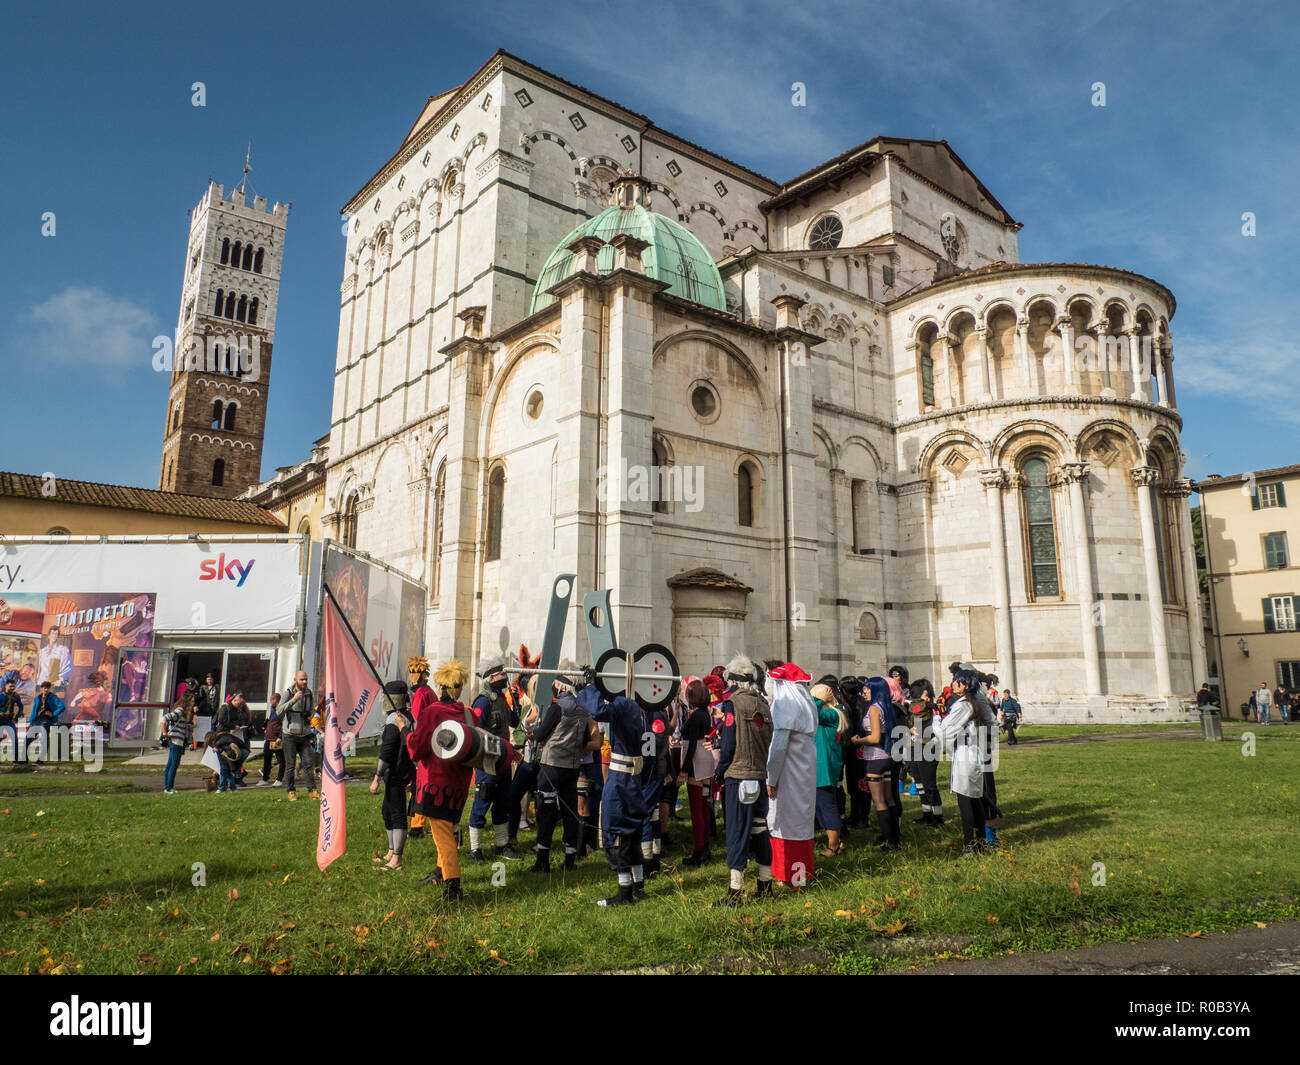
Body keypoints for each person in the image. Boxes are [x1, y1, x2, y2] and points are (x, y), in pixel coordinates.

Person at [576, 667, 650, 907]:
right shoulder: (640, 706)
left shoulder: (624, 705)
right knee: (634, 827)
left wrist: (591, 686)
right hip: (634, 775)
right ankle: (638, 885)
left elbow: (598, 711)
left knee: (615, 827)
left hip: (621, 777)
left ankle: (625, 892)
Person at [406, 658, 476, 901]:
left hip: (436, 783)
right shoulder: (467, 714)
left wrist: (406, 732)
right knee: (447, 830)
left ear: (441, 687)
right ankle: (440, 871)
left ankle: (453, 885)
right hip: (459, 786)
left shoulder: (432, 712)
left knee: (443, 836)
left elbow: (417, 749)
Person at [713, 655, 775, 904]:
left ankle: (735, 891)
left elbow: (728, 745)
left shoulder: (733, 705)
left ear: (734, 681)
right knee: (760, 831)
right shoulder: (763, 704)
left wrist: (720, 771)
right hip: (759, 775)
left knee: (737, 833)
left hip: (738, 777)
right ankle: (765, 883)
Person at [530, 663, 590, 873]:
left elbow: (540, 735)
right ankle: (570, 859)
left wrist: (534, 727)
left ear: (562, 686)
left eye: (555, 682)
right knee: (570, 811)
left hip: (552, 765)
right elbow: (586, 739)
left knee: (545, 810)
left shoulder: (557, 708)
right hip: (572, 766)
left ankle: (543, 860)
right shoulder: (583, 711)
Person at [765, 663, 819, 885]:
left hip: (788, 775)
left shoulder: (785, 708)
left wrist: (770, 778)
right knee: (801, 819)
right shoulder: (806, 705)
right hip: (804, 773)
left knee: (784, 821)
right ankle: (799, 875)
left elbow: (777, 749)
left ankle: (789, 875)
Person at [467, 658, 519, 862]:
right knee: (482, 802)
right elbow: (475, 730)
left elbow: (514, 722)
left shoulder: (500, 698)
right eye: (502, 674)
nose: (505, 678)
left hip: (503, 761)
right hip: (487, 761)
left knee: (502, 803)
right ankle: (475, 850)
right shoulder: (482, 701)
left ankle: (501, 845)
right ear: (491, 677)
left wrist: (514, 701)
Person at [933, 668, 988, 856]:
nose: (952, 683)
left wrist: (934, 722)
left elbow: (946, 730)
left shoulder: (963, 705)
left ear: (964, 685)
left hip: (966, 756)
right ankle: (980, 842)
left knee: (966, 803)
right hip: (973, 754)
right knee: (975, 800)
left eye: (956, 681)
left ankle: (969, 846)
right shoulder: (973, 702)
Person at [850, 677, 901, 850]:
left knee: (879, 800)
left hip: (875, 757)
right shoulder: (886, 706)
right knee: (889, 799)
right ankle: (895, 837)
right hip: (887, 756)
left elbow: (875, 737)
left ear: (875, 690)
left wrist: (858, 741)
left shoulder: (873, 709)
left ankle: (889, 841)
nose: (864, 692)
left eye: (867, 689)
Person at [371, 681, 415, 871]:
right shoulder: (406, 717)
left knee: (397, 815)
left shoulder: (393, 722)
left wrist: (376, 778)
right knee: (387, 812)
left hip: (397, 774)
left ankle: (397, 860)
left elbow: (387, 754)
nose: (382, 699)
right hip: (399, 773)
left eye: (384, 696)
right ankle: (391, 851)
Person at [679, 678, 715, 866]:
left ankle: (699, 849)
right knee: (703, 804)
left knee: (696, 808)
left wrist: (683, 771)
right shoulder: (705, 713)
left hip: (696, 761)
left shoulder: (695, 716)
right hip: (706, 759)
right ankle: (705, 846)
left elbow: (691, 744)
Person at [810, 682, 847, 857]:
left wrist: (818, 701)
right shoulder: (831, 712)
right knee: (821, 803)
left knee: (827, 805)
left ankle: (834, 845)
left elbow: (811, 713)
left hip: (824, 766)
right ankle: (834, 841)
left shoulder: (832, 713)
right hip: (821, 764)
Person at [906, 679, 943, 827]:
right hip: (915, 746)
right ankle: (927, 815)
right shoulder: (913, 706)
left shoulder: (933, 708)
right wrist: (910, 728)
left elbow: (938, 727)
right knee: (920, 783)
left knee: (929, 784)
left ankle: (938, 818)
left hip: (928, 747)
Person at [278, 671, 318, 801]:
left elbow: (313, 707)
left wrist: (311, 715)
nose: (304, 682)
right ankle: (291, 791)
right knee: (290, 765)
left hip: (305, 734)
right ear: (295, 679)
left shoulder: (309, 693)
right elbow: (279, 710)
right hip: (290, 734)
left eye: (306, 679)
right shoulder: (288, 693)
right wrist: (294, 699)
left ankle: (312, 790)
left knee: (307, 763)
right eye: (302, 680)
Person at [161, 694, 195, 794]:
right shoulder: (180, 711)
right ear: (187, 702)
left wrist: (189, 727)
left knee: (170, 764)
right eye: (192, 701)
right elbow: (164, 719)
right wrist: (164, 732)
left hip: (176, 741)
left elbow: (180, 724)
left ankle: (167, 787)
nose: (193, 703)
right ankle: (169, 788)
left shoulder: (182, 712)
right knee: (174, 764)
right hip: (176, 741)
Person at [26, 681, 63, 763]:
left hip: (46, 721)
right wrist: (31, 722)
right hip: (37, 720)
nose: (46, 690)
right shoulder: (38, 697)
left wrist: (53, 714)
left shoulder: (53, 697)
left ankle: (41, 760)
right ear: (41, 688)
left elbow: (61, 707)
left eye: (48, 688)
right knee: (28, 738)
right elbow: (34, 710)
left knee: (44, 739)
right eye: (44, 688)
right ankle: (24, 759)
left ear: (50, 689)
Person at [258, 705, 285, 785]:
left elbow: (284, 725)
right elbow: (269, 721)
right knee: (267, 760)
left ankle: (279, 779)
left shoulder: (281, 711)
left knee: (281, 760)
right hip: (268, 739)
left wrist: (280, 737)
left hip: (276, 739)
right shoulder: (272, 710)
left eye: (272, 700)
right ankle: (265, 778)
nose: (270, 702)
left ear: (275, 700)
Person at [0, 672, 24, 758]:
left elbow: (21, 707)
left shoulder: (16, 696)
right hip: (1, 719)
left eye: (13, 686)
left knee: (14, 738)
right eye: (10, 686)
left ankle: (16, 758)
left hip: (10, 720)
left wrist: (17, 717)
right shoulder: (1, 695)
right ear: (6, 686)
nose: (12, 688)